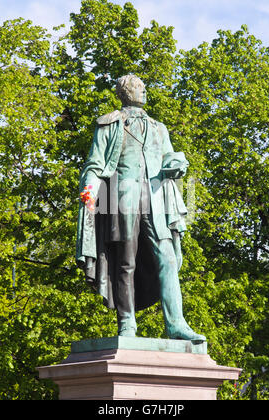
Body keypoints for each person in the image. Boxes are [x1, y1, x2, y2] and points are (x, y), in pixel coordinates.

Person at [76, 74, 205, 341]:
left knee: (168, 261)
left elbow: (168, 156)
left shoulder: (160, 128)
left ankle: (176, 324)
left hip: (157, 202)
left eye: (143, 87)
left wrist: (178, 163)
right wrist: (88, 191)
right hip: (120, 199)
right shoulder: (109, 124)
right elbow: (95, 164)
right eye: (137, 86)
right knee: (125, 263)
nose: (143, 90)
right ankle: (127, 323)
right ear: (124, 92)